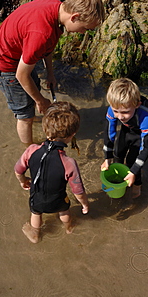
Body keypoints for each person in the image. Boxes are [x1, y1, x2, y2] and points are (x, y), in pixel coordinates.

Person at [0, 0, 105, 146]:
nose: (82, 33)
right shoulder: (41, 33)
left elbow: (47, 47)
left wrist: (50, 73)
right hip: (5, 65)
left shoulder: (55, 7)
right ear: (74, 17)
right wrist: (40, 100)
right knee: (24, 115)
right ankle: (28, 149)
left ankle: (32, 112)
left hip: (20, 56)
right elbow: (21, 75)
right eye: (84, 28)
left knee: (33, 90)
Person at [14, 101, 89, 243]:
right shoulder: (69, 163)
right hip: (58, 199)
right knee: (65, 212)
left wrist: (22, 180)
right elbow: (78, 190)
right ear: (73, 134)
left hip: (36, 197)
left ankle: (35, 234)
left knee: (35, 213)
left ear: (44, 128)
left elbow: (18, 169)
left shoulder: (31, 150)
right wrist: (84, 204)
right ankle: (68, 228)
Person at [101, 78, 148, 199]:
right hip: (129, 126)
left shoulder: (146, 117)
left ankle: (137, 184)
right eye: (116, 111)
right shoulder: (114, 110)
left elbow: (146, 148)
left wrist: (133, 171)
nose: (120, 117)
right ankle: (120, 179)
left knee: (132, 161)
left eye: (125, 112)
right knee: (118, 153)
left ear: (137, 105)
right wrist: (107, 157)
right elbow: (108, 133)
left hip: (142, 130)